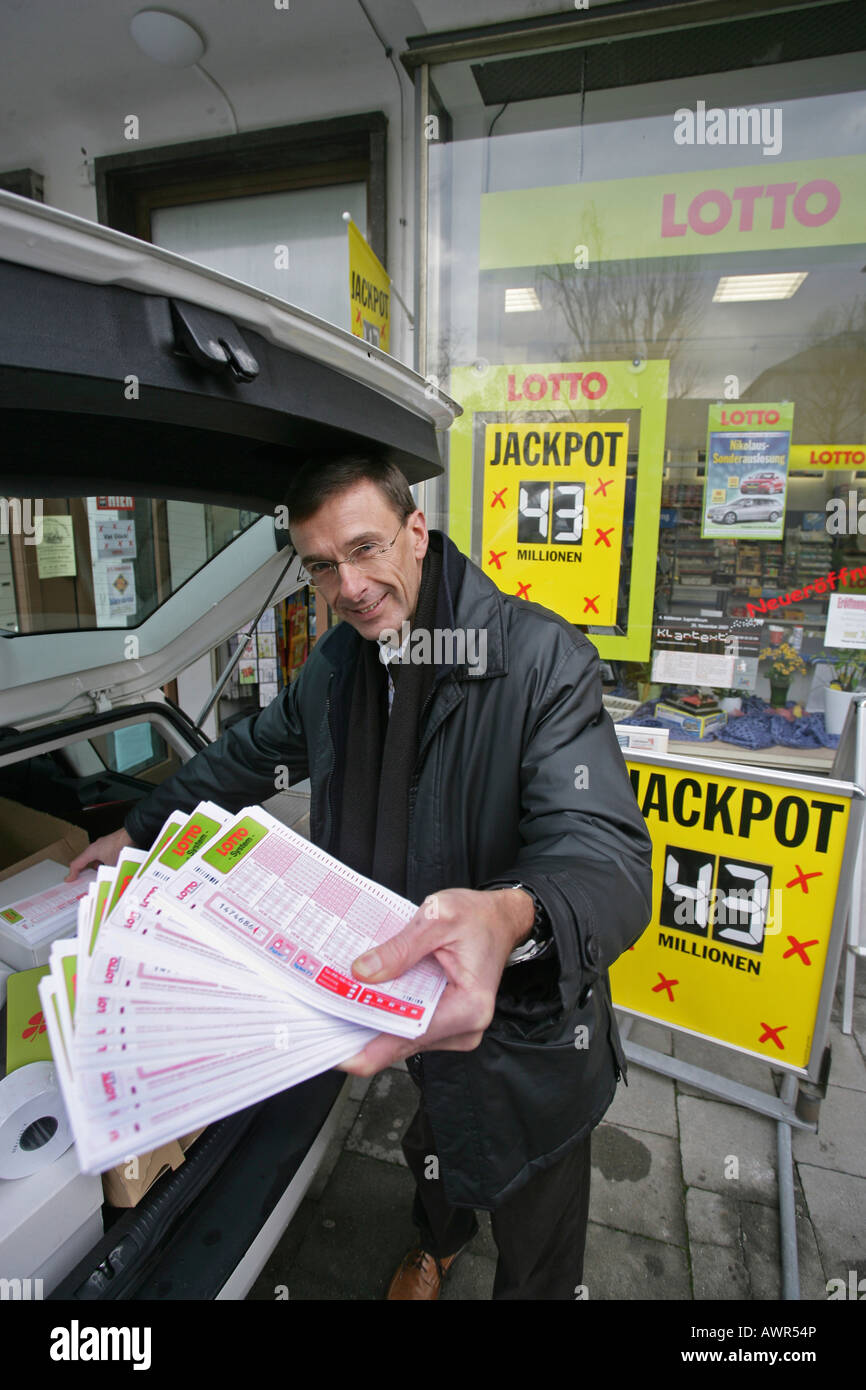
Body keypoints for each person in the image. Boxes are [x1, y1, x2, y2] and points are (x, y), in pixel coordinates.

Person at [68, 454, 653, 1301]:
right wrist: (140, 823)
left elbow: (604, 853)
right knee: (434, 1148)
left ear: (417, 532)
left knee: (539, 1219)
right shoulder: (337, 667)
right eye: (321, 565)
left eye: (367, 548)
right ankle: (435, 1247)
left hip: (532, 1031)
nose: (349, 585)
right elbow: (250, 754)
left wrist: (513, 915)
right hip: (403, 1000)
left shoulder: (536, 658)